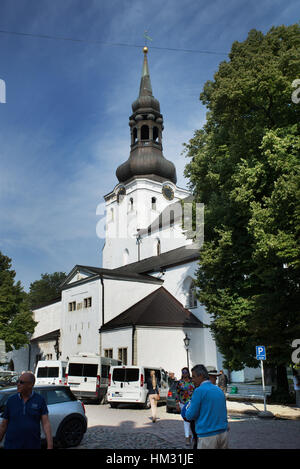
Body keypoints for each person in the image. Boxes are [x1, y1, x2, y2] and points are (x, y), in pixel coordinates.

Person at [0, 371, 53, 449]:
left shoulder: (40, 400)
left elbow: (46, 424)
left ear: (31, 384)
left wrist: (50, 445)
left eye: (21, 382)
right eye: (18, 381)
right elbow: (3, 425)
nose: (18, 384)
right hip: (11, 445)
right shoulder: (11, 400)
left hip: (32, 445)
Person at [182, 364, 229, 449]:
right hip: (223, 433)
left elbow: (190, 415)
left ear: (201, 376)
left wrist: (187, 408)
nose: (192, 380)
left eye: (194, 377)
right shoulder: (218, 390)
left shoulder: (199, 391)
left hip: (207, 435)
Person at [175, 367, 195, 446]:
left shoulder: (192, 381)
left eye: (186, 372)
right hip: (183, 403)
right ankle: (187, 437)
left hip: (192, 403)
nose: (185, 374)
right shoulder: (180, 382)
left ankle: (194, 437)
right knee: (186, 420)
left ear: (188, 373)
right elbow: (177, 393)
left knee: (193, 420)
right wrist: (177, 404)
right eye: (183, 372)